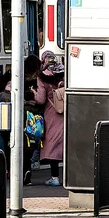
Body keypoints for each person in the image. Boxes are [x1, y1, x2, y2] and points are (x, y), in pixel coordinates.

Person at [32, 51, 66, 186]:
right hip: (66, 110)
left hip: (52, 113)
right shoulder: (63, 72)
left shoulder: (42, 77)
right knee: (65, 144)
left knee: (52, 146)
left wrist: (34, 93)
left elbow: (40, 100)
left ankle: (55, 177)